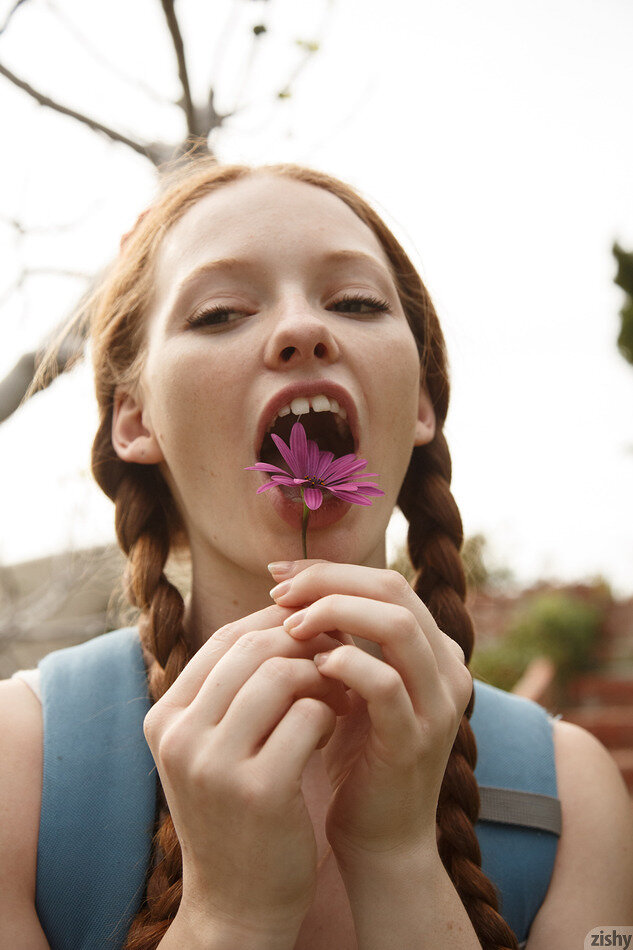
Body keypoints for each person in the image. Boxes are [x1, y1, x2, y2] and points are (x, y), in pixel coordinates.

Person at [1, 156, 632, 950]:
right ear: (135, 419)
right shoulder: (17, 772)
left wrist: (398, 859)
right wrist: (229, 914)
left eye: (356, 301)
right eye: (220, 313)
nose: (303, 329)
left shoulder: (571, 797)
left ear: (422, 406)